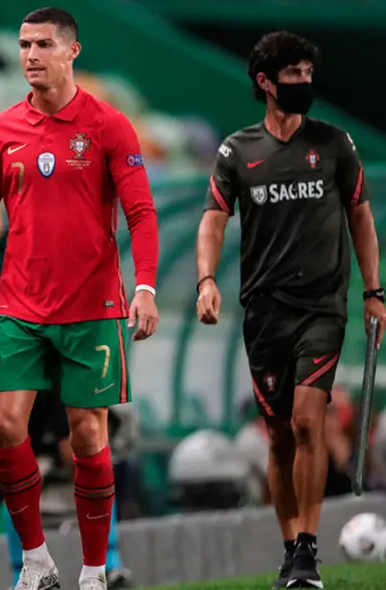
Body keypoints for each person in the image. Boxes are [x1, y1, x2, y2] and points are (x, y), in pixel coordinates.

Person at [0, 8, 160, 590]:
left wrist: (144, 285)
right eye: (23, 44)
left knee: (89, 439)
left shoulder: (109, 126)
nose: (30, 55)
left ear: (72, 51)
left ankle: (95, 570)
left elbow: (141, 213)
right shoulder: (0, 131)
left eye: (43, 44)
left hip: (92, 308)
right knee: (4, 425)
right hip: (19, 307)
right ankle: (38, 563)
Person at [195, 30, 385, 589]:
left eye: (307, 72)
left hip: (322, 309)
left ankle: (308, 548)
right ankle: (289, 549)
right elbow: (211, 219)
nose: (304, 82)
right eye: (293, 74)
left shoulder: (335, 144)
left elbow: (362, 220)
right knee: (279, 434)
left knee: (308, 419)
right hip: (263, 312)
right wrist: (207, 280)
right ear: (265, 82)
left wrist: (374, 292)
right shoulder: (237, 151)